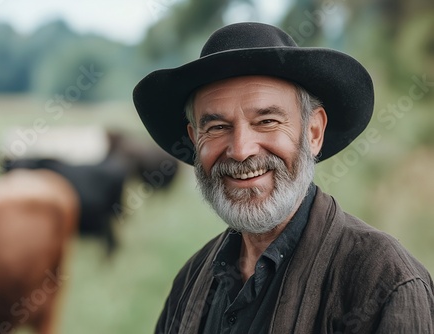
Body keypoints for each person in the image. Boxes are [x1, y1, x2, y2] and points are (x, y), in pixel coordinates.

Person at [133, 22, 434, 333]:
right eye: (217, 127)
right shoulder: (190, 282)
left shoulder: (384, 282)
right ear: (195, 140)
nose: (240, 150)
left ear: (313, 132)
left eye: (266, 121)